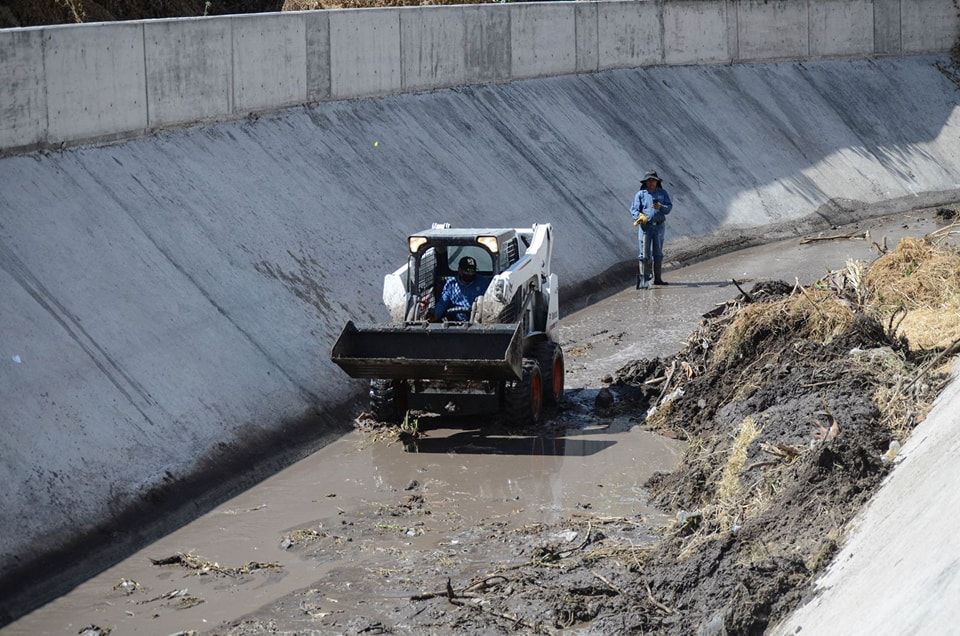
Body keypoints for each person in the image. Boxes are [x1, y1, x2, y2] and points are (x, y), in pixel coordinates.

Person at [629, 171, 673, 288]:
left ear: (657, 182)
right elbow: (634, 210)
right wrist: (640, 217)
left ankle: (658, 279)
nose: (651, 182)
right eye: (649, 180)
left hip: (659, 227)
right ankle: (644, 280)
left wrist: (661, 207)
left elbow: (668, 208)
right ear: (645, 182)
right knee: (644, 253)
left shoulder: (663, 193)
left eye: (653, 180)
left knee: (658, 253)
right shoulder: (640, 194)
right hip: (645, 227)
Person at [434, 256, 491, 322]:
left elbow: (488, 304)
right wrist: (435, 316)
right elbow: (442, 304)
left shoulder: (482, 283)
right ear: (460, 270)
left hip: (477, 321)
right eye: (467, 271)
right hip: (454, 321)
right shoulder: (451, 283)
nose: (470, 274)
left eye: (472, 271)